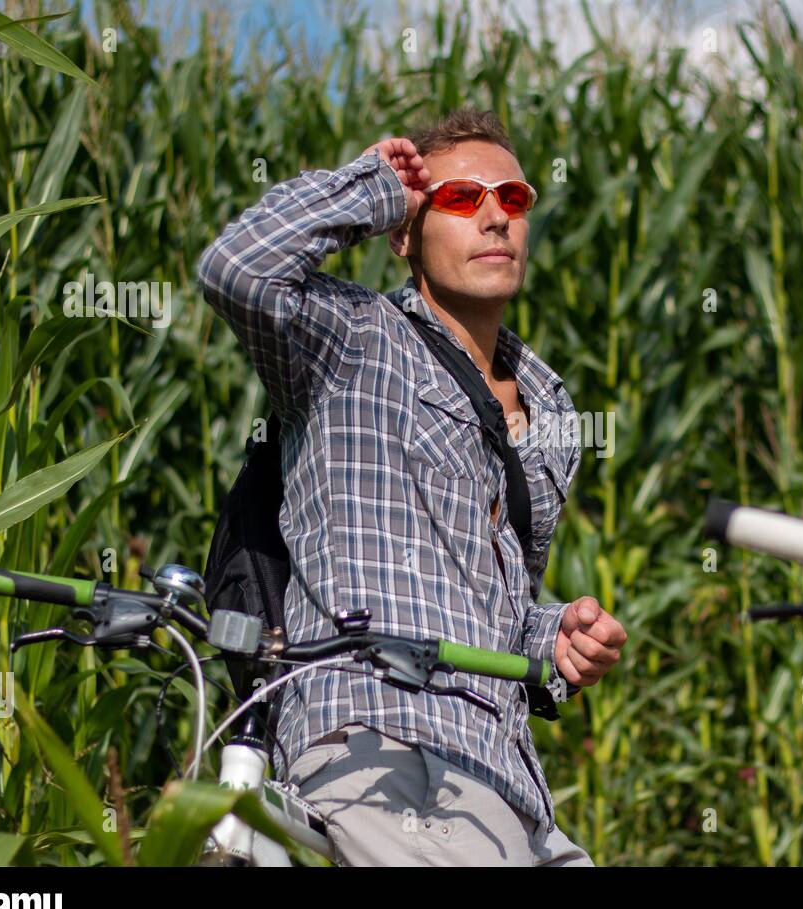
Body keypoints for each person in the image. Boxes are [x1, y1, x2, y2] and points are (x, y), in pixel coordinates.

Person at [196, 107, 626, 865]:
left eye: (513, 200)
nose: (494, 217)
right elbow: (237, 267)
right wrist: (369, 188)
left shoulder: (551, 411)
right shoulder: (353, 345)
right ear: (406, 236)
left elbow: (495, 611)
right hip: (389, 755)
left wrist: (552, 638)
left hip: (510, 784)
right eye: (461, 200)